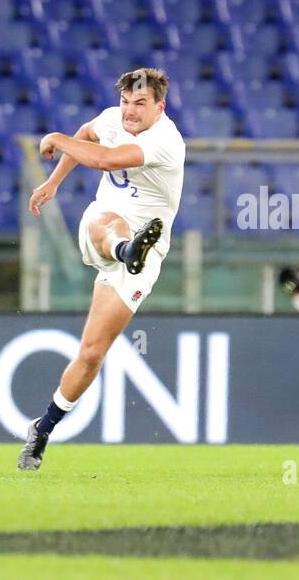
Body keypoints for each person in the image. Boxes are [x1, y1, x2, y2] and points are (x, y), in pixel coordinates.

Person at [17, 67, 185, 470]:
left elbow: (104, 158)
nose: (129, 111)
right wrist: (55, 181)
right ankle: (124, 247)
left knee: (92, 353)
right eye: (126, 101)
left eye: (140, 104)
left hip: (150, 249)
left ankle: (43, 428)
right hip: (106, 224)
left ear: (159, 107)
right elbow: (89, 136)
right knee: (107, 224)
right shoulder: (112, 119)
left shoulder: (166, 141)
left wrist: (57, 140)